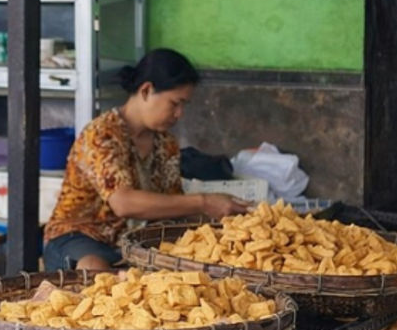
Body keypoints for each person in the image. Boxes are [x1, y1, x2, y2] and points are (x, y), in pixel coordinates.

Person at [42, 48, 250, 272]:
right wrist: (204, 201)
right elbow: (124, 203)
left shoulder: (166, 144)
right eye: (175, 103)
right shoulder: (102, 134)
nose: (179, 113)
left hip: (131, 243)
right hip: (79, 236)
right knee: (95, 269)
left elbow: (173, 205)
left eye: (184, 106)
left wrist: (228, 217)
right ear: (146, 90)